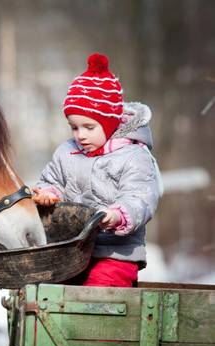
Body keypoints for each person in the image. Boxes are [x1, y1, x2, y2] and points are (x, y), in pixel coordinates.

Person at [32, 53, 162, 287]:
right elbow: (52, 180)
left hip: (115, 254)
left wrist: (116, 215)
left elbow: (139, 197)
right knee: (48, 291)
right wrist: (47, 194)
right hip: (71, 251)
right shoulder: (66, 152)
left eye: (89, 127)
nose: (80, 135)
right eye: (74, 127)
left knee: (96, 295)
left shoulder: (134, 156)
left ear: (110, 123)